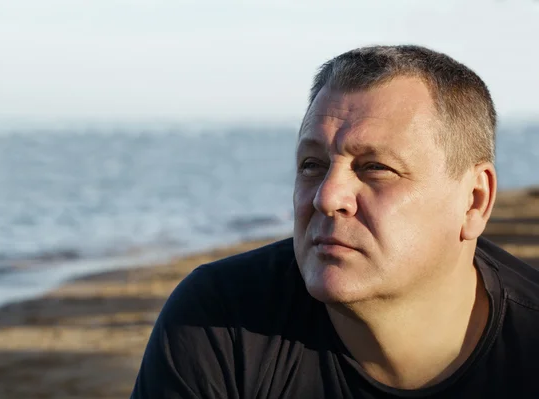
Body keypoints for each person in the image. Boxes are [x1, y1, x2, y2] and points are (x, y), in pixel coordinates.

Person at [130, 45, 539, 398]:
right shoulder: (220, 321)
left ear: (474, 200)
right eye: (312, 165)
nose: (327, 196)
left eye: (375, 167)